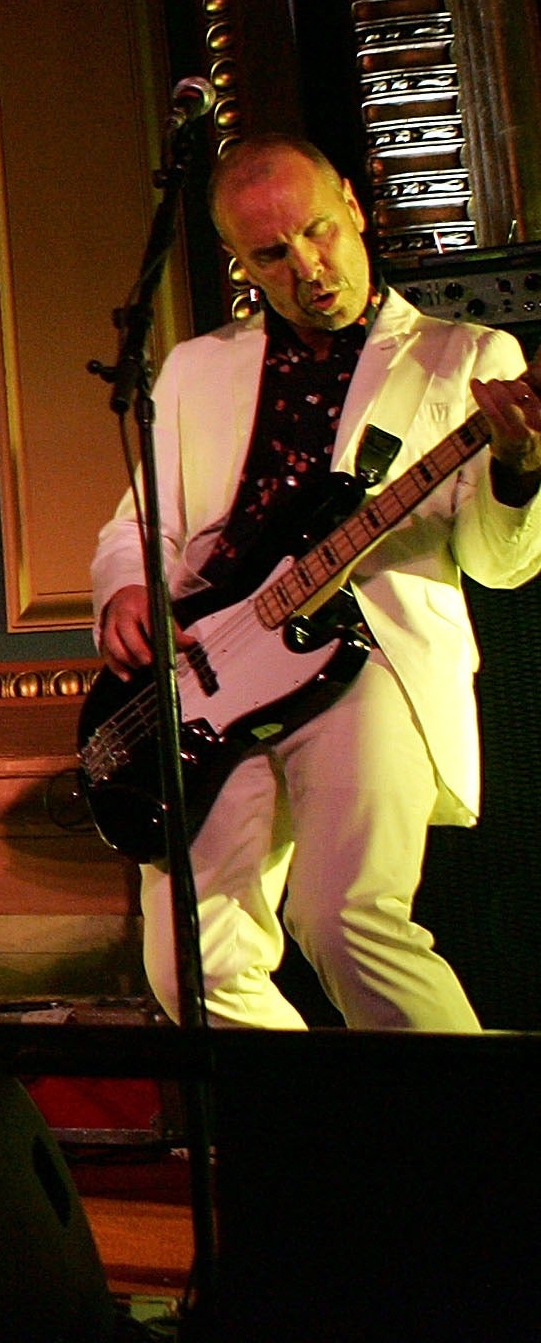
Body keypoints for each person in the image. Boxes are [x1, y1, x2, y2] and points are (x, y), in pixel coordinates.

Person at [91, 134, 541, 1029]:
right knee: (193, 956)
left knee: (344, 924)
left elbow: (497, 561)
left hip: (369, 658)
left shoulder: (464, 356)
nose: (308, 266)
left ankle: (485, 1150)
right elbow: (143, 525)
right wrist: (126, 591)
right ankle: (305, 1148)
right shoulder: (195, 366)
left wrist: (519, 471)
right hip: (220, 664)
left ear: (352, 202)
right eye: (271, 253)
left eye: (318, 231)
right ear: (239, 262)